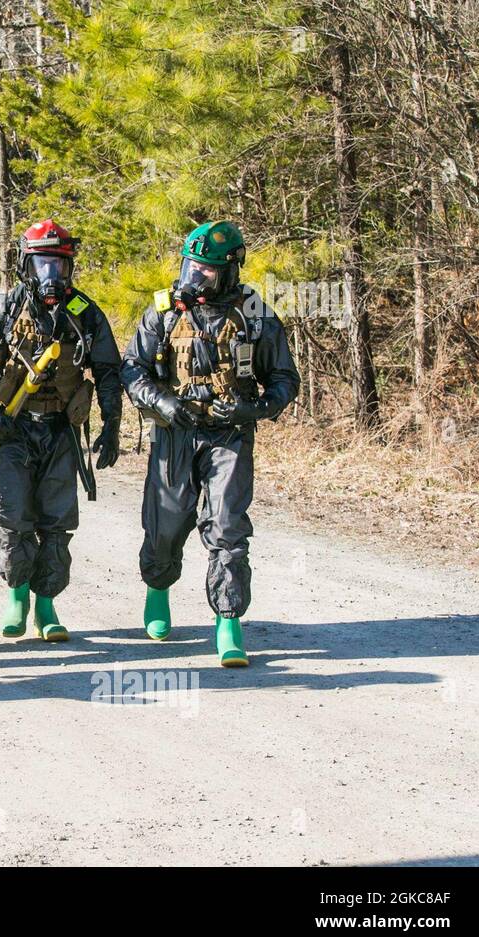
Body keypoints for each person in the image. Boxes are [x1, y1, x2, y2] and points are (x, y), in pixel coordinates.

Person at [121, 221, 300, 667]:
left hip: (229, 436)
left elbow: (284, 378)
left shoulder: (254, 312)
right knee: (164, 527)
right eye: (191, 267)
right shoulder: (163, 310)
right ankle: (157, 592)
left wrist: (253, 409)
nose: (194, 278)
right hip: (174, 433)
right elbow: (132, 368)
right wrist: (161, 401)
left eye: (206, 271)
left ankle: (228, 621)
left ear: (230, 270)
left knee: (227, 528)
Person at [0, 220, 123, 641]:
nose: (51, 276)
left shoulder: (84, 314)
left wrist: (112, 426)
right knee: (12, 515)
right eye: (42, 265)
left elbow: (109, 371)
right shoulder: (2, 308)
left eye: (59, 266)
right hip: (12, 428)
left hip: (61, 432)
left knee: (55, 520)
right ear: (26, 266)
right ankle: (17, 597)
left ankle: (47, 607)